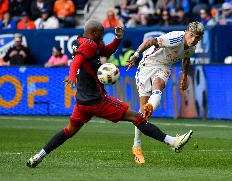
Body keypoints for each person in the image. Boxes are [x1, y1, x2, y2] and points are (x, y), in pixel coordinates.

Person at [26, 20, 193, 168]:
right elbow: (77, 60)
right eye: (101, 32)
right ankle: (173, 142)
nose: (103, 35)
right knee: (137, 118)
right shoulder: (89, 45)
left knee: (68, 131)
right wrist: (71, 76)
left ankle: (38, 156)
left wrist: (118, 39)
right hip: (97, 101)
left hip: (82, 102)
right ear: (94, 33)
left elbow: (106, 51)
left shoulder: (85, 41)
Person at [126, 21, 204, 164]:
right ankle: (136, 145)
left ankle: (150, 107)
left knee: (159, 85)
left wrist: (185, 77)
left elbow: (186, 59)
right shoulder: (175, 38)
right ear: (186, 32)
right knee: (142, 113)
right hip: (147, 64)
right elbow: (150, 41)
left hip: (164, 67)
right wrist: (135, 55)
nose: (193, 40)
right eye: (191, 35)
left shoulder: (192, 48)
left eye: (197, 37)